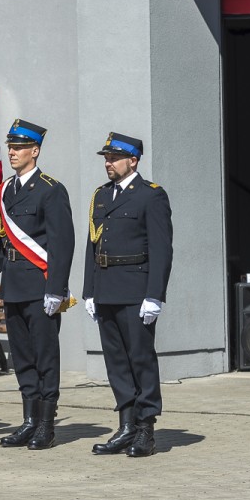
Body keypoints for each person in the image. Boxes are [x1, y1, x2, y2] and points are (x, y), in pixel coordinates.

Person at [0, 119, 75, 450]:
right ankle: (29, 421)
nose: (12, 152)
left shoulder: (50, 190)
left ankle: (46, 425)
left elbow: (62, 244)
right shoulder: (5, 190)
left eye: (19, 147)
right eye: (10, 147)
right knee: (23, 358)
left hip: (40, 286)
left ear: (35, 151)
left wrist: (56, 289)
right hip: (14, 286)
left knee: (45, 358)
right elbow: (4, 243)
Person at [83, 132, 173, 457]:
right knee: (116, 361)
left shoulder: (150, 195)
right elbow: (93, 246)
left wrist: (155, 295)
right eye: (106, 158)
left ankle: (145, 428)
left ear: (132, 161)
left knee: (140, 358)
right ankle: (126, 426)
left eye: (114, 158)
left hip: (136, 290)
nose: (108, 163)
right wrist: (89, 290)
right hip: (106, 287)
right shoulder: (101, 195)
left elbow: (162, 249)